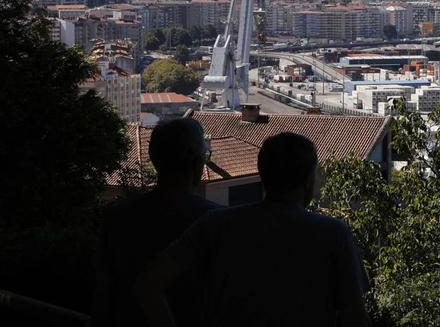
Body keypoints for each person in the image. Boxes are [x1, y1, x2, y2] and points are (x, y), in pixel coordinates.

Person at [136, 132, 369, 327]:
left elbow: (149, 283)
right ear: (308, 180)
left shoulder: (217, 224)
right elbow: (354, 315)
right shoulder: (332, 233)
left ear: (263, 175)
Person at [92, 117, 219, 327]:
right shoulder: (214, 222)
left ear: (154, 159)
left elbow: (103, 291)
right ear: (196, 164)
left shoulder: (117, 217)